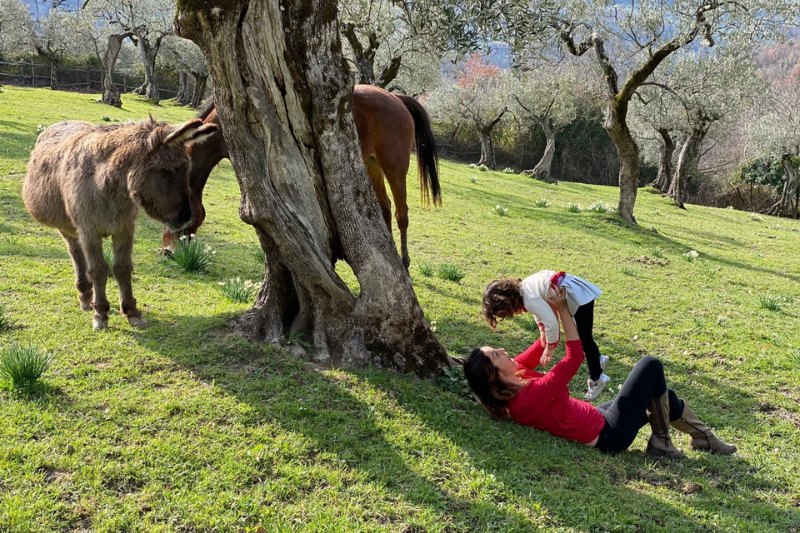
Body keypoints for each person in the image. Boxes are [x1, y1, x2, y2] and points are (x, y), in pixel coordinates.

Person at [465, 287, 736, 457]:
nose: (503, 349)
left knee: (662, 394)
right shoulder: (528, 396)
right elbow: (574, 356)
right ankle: (664, 444)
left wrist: (544, 312)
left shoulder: (518, 374)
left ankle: (702, 438)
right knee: (650, 365)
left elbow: (544, 342)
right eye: (497, 355)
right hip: (609, 434)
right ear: (495, 375)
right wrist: (563, 312)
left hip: (599, 416)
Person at [482, 271, 610, 401]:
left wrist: (550, 347)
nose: (514, 314)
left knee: (583, 338)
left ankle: (597, 377)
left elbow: (552, 324)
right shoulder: (526, 288)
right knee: (584, 335)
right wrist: (542, 330)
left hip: (576, 295)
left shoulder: (529, 300)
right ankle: (598, 359)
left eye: (509, 312)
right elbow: (541, 311)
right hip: (574, 290)